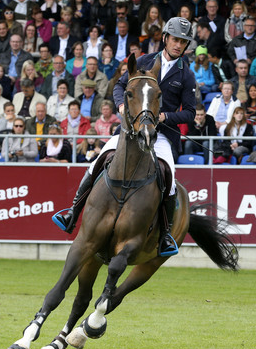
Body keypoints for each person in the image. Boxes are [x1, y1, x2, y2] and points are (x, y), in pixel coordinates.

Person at [52, 17, 196, 257]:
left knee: (169, 180)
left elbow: (190, 113)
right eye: (175, 39)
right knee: (97, 162)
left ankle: (166, 235)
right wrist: (120, 106)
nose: (178, 45)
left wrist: (164, 117)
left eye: (183, 41)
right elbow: (119, 86)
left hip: (160, 136)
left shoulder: (186, 75)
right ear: (166, 38)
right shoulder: (143, 61)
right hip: (129, 132)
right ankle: (72, 213)